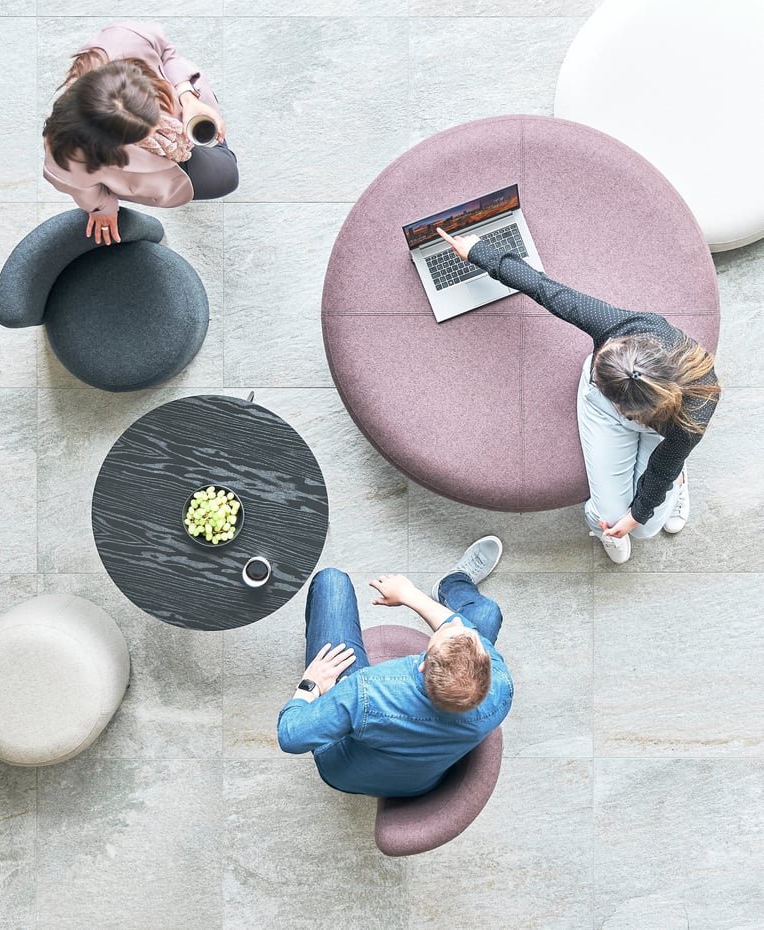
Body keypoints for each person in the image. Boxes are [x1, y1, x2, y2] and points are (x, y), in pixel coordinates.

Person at [437, 227, 721, 565]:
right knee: (613, 519)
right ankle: (602, 520)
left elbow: (661, 469)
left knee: (643, 527)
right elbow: (548, 291)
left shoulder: (696, 409)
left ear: (628, 406)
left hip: (663, 432)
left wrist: (638, 515)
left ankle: (680, 476)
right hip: (607, 412)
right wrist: (480, 253)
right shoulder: (625, 328)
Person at [277, 536, 513, 798]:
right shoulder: (502, 685)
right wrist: (410, 595)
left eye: (446, 631)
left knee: (331, 581)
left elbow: (290, 736)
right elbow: (461, 626)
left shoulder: (366, 691)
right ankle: (453, 583)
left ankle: (318, 636)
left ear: (423, 666)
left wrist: (310, 685)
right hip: (421, 781)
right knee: (487, 612)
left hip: (344, 768)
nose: (456, 624)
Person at [43, 22, 239, 247]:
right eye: (142, 133)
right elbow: (81, 187)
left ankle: (203, 119)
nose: (158, 128)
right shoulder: (67, 152)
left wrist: (187, 95)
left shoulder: (126, 38)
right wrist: (101, 209)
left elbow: (166, 51)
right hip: (151, 172)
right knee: (227, 178)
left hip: (185, 109)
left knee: (217, 155)